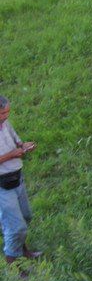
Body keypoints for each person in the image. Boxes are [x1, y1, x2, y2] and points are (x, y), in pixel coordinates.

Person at [0, 97, 41, 263]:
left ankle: (24, 251)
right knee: (15, 227)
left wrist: (24, 146)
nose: (6, 116)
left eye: (7, 112)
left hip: (17, 177)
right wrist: (12, 155)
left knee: (25, 216)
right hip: (2, 184)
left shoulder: (5, 125)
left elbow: (17, 143)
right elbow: (12, 153)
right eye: (2, 113)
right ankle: (14, 267)